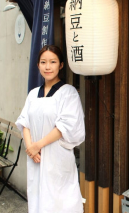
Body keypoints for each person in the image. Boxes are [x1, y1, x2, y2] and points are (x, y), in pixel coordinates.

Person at [15, 45, 85, 213]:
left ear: (61, 65)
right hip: (36, 158)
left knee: (60, 202)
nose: (48, 67)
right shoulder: (33, 94)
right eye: (43, 62)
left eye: (53, 62)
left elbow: (65, 126)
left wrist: (37, 145)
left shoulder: (68, 93)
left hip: (57, 159)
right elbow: (24, 122)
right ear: (38, 65)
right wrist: (31, 147)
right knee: (38, 199)